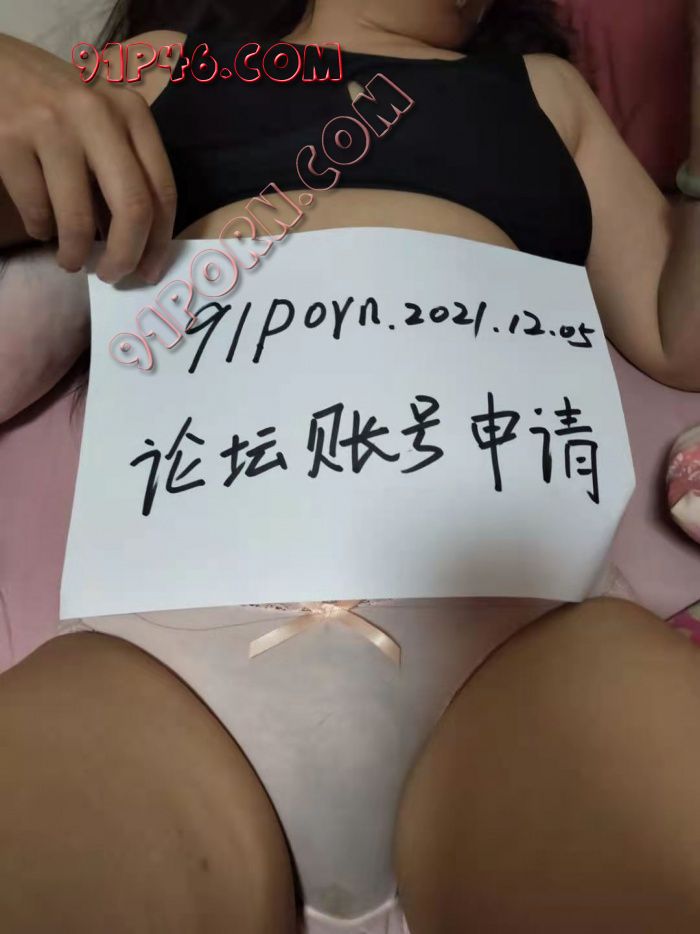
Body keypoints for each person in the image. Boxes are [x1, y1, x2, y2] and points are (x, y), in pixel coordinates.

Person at [0, 1, 699, 932]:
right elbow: (34, 174)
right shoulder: (171, 63)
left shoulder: (544, 91)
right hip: (163, 646)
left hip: (527, 636)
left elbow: (674, 329)